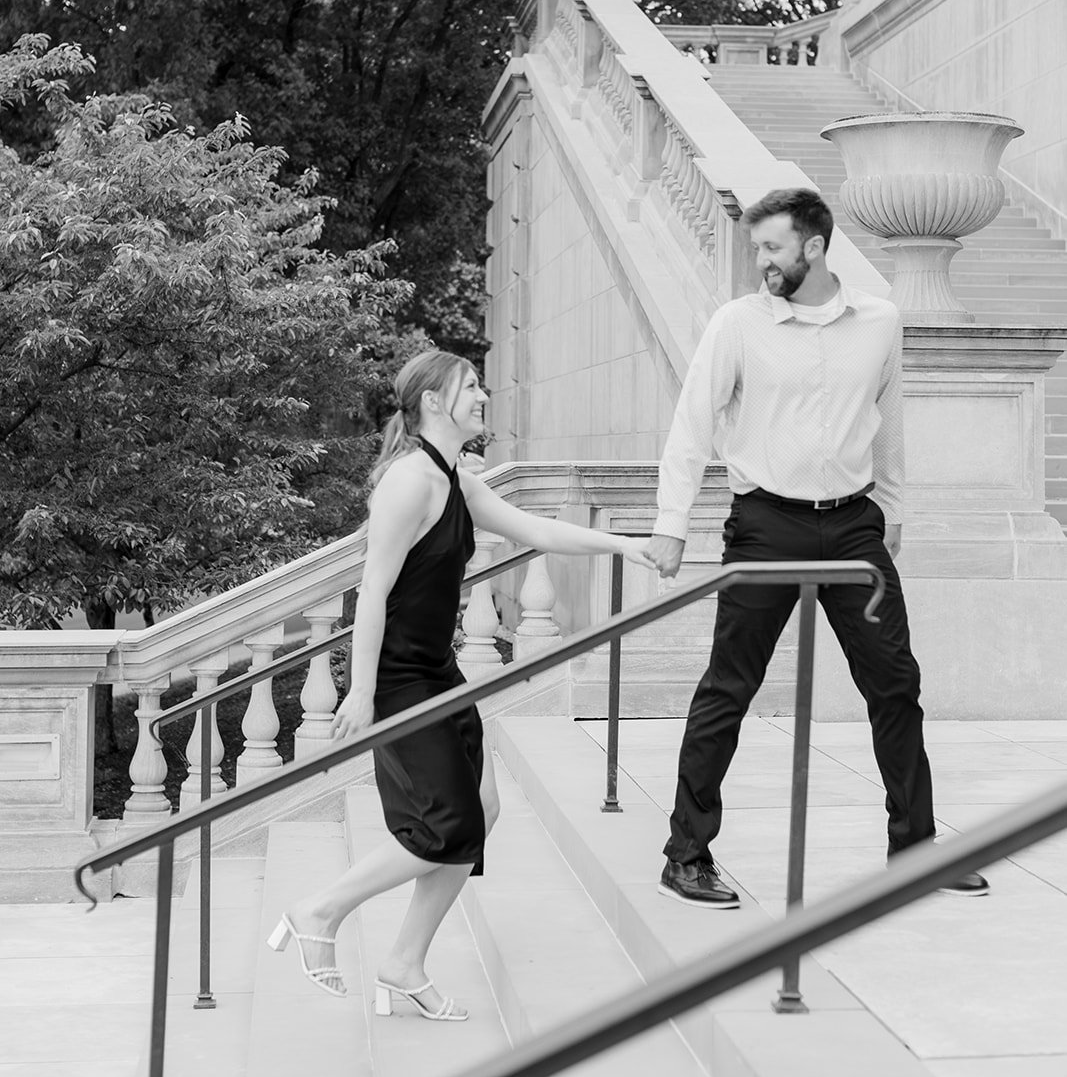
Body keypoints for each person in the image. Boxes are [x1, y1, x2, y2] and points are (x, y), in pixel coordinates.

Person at [268, 349, 654, 1016]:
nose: (482, 394)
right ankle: (319, 910)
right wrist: (360, 692)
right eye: (469, 386)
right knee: (442, 824)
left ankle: (403, 962)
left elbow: (536, 530)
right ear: (432, 402)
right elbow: (371, 592)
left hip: (438, 671)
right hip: (398, 676)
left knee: (482, 809)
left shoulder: (454, 479)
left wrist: (627, 547)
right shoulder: (408, 482)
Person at [648, 187, 989, 907]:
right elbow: (692, 423)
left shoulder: (879, 322)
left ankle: (914, 849)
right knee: (728, 687)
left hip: (852, 525)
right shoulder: (737, 323)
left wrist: (891, 508)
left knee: (893, 682)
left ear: (812, 245)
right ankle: (686, 854)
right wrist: (669, 524)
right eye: (755, 249)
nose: (760, 261)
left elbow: (888, 416)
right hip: (764, 523)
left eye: (771, 248)